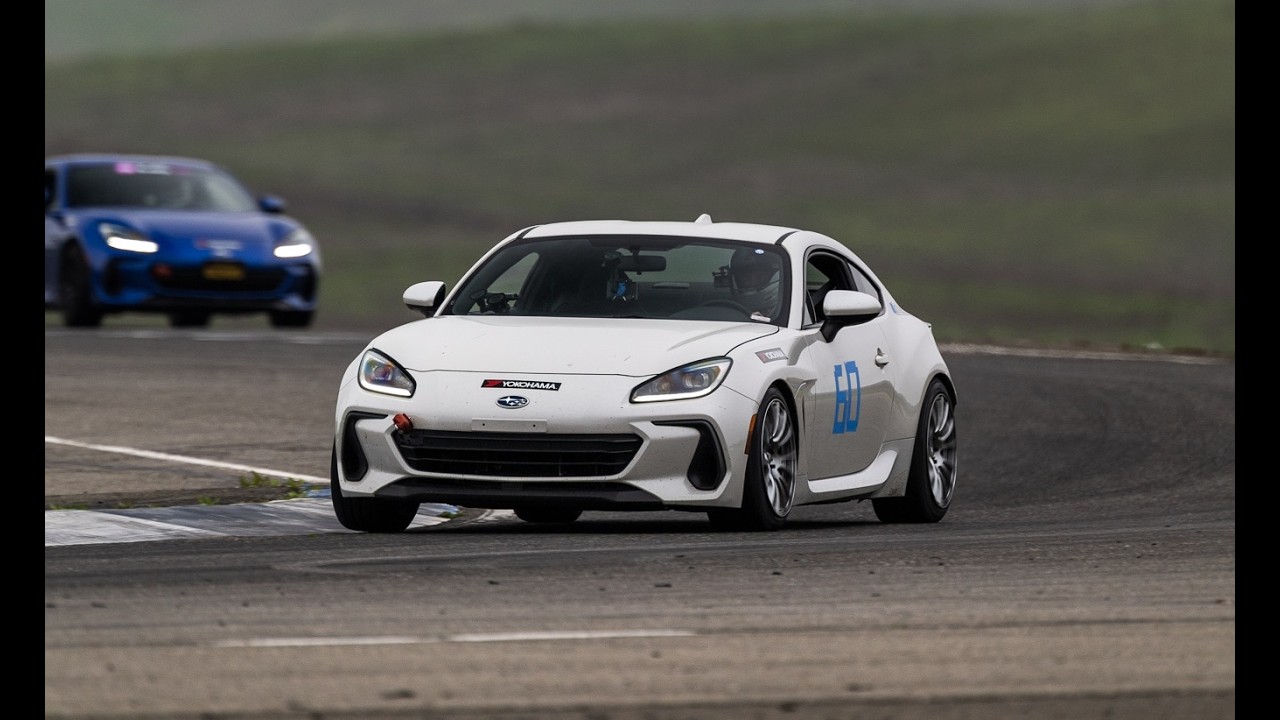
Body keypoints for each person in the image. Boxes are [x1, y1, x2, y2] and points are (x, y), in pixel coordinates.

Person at [729, 247, 782, 321]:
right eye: (746, 278)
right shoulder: (729, 312)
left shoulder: (788, 309)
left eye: (760, 277)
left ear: (775, 277)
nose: (752, 282)